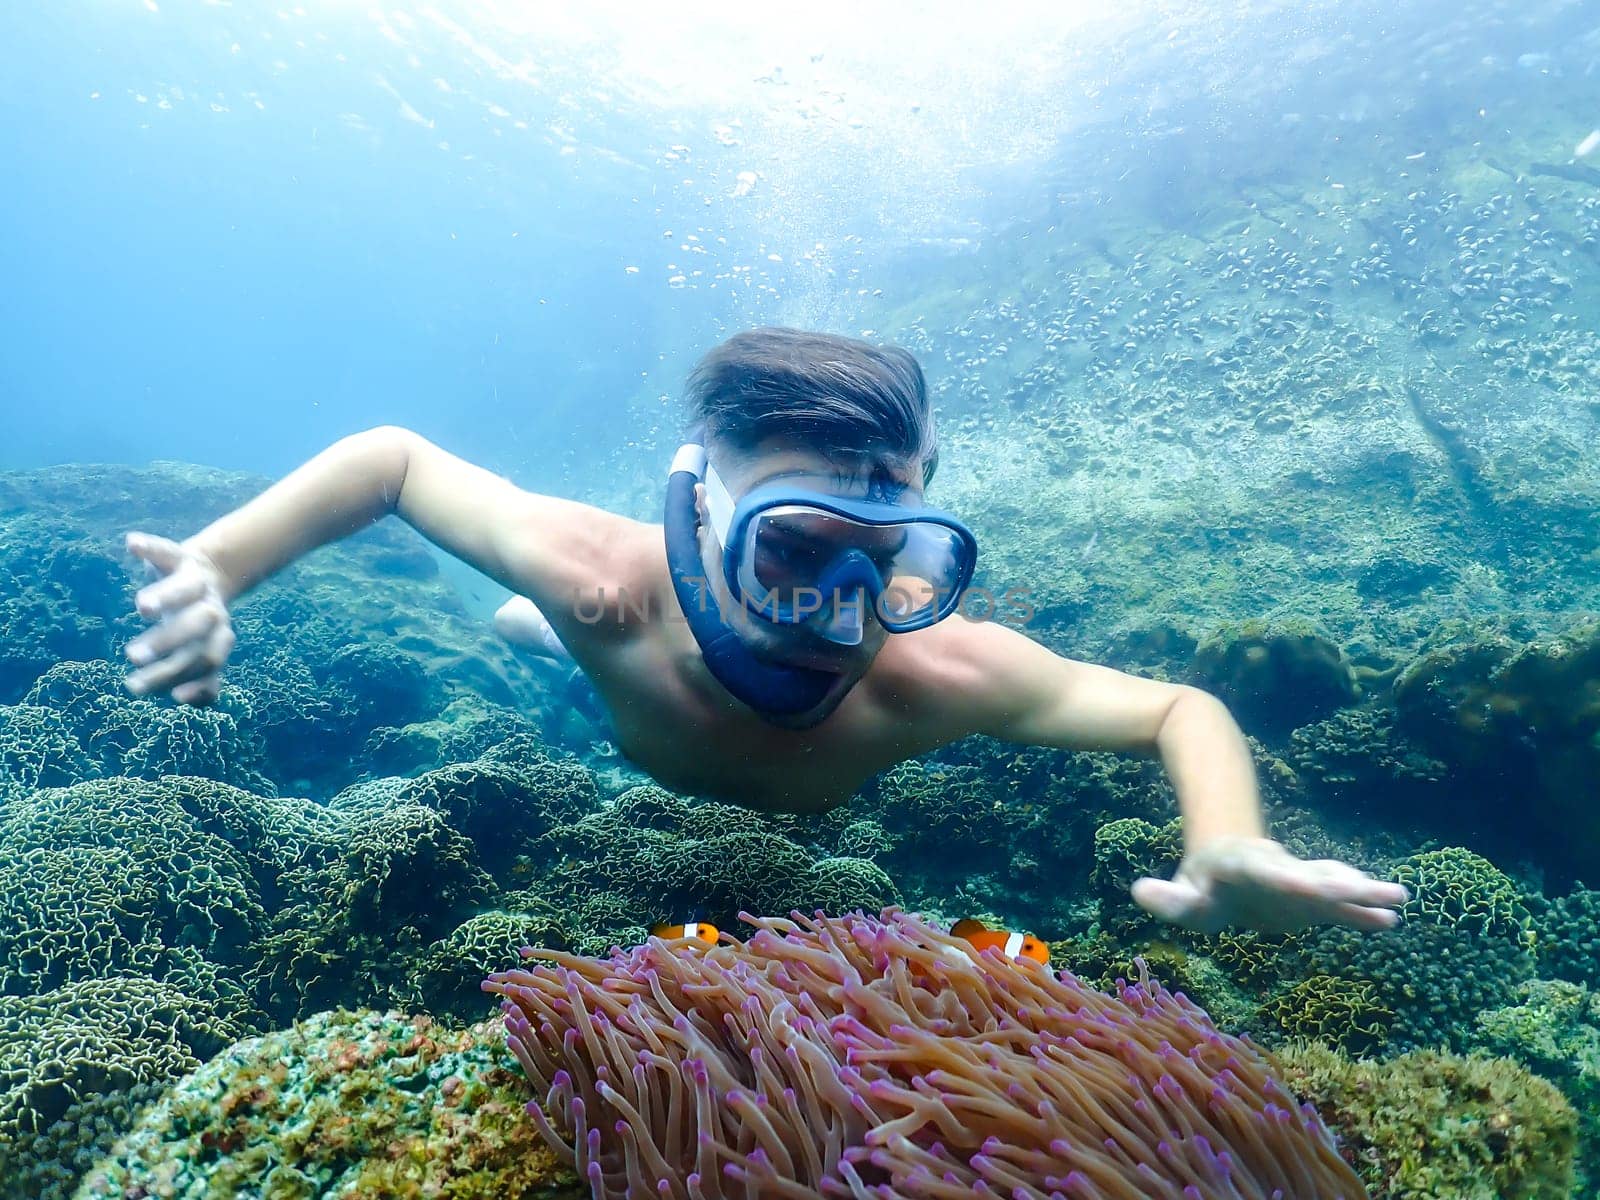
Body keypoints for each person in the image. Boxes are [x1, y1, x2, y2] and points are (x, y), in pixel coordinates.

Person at [121, 327, 1407, 936]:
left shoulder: (933, 673)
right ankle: (526, 636)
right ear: (701, 513)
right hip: (605, 667)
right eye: (790, 551)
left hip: (656, 688)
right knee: (546, 627)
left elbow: (1184, 709)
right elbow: (392, 460)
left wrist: (1227, 838)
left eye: (886, 561)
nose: (840, 618)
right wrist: (226, 563)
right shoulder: (603, 578)